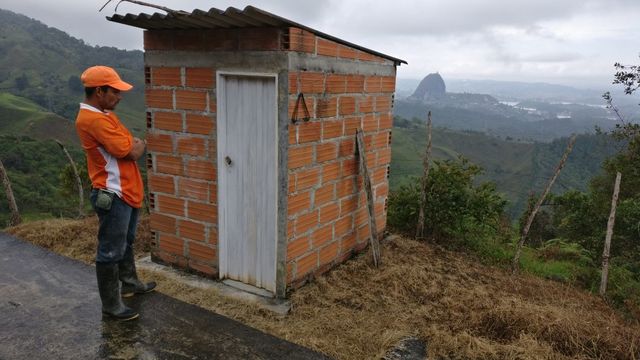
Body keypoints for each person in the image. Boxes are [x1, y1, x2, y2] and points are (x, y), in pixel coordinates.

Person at [75, 65, 156, 321]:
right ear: (99, 91)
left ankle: (130, 283)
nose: (119, 96)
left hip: (127, 191)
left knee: (126, 241)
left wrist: (132, 143)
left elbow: (128, 142)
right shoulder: (93, 119)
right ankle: (111, 305)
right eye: (115, 91)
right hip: (113, 193)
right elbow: (132, 150)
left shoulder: (105, 113)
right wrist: (136, 145)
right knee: (110, 250)